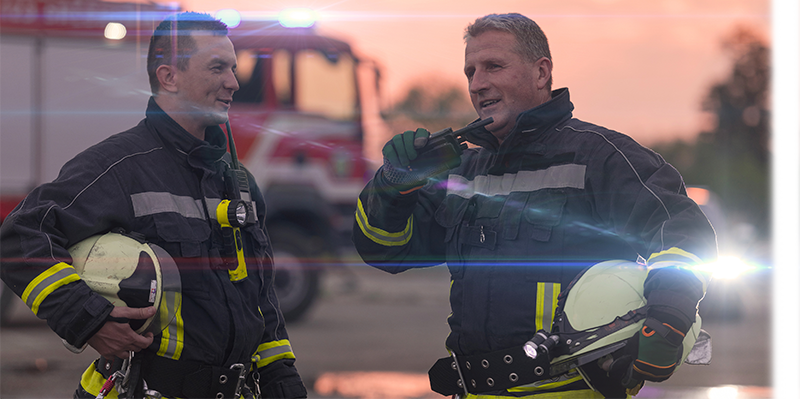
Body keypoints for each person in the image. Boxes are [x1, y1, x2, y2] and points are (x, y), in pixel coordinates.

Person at [353, 13, 717, 399]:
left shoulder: (600, 157)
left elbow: (684, 231)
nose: (478, 84)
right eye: (470, 72)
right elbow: (384, 249)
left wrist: (671, 316)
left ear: (542, 72)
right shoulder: (462, 173)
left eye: (494, 66)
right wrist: (393, 186)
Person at [0, 12, 307, 399]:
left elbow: (260, 300)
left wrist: (283, 382)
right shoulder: (119, 166)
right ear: (169, 77)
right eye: (218, 68)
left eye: (233, 67)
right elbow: (19, 236)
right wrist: (88, 321)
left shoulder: (238, 182)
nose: (233, 82)